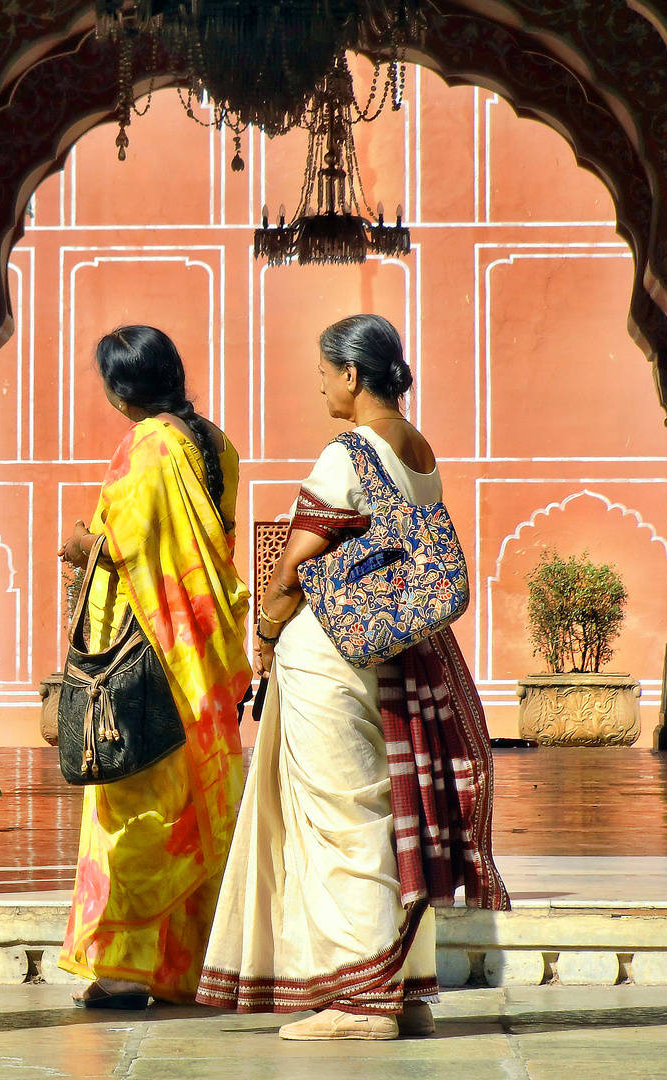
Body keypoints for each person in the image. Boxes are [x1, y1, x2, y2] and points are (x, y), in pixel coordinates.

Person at [195, 314, 508, 1039]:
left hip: (328, 660)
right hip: (388, 657)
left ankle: (359, 1002)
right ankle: (401, 989)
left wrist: (265, 633)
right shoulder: (417, 447)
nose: (318, 384)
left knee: (342, 820)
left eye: (323, 371)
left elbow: (294, 565)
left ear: (351, 375)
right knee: (385, 810)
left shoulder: (349, 452)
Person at [54, 326, 253, 1008]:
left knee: (137, 810)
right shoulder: (213, 442)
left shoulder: (147, 446)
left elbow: (132, 546)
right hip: (203, 651)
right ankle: (195, 966)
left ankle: (124, 969)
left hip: (150, 658)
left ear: (119, 390)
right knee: (194, 806)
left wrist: (83, 544)